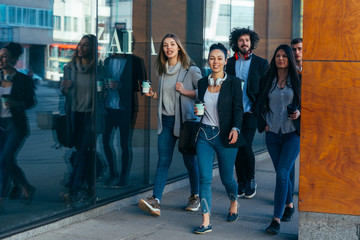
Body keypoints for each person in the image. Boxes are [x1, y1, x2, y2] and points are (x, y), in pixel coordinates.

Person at [138, 33, 202, 216]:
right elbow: (167, 98)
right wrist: (153, 95)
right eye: (165, 45)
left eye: (172, 44)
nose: (169, 48)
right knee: (163, 161)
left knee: (190, 161)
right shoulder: (164, 70)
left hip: (184, 123)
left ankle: (195, 196)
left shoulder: (190, 70)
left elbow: (203, 92)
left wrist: (186, 91)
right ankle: (156, 200)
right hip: (166, 121)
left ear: (179, 47)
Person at [194, 43, 245, 234]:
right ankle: (206, 220)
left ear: (225, 60)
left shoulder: (234, 82)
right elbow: (200, 107)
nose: (215, 62)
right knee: (205, 178)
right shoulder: (201, 83)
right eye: (212, 58)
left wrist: (236, 128)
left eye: (219, 58)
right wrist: (197, 111)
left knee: (226, 178)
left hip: (226, 136)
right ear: (208, 60)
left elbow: (238, 110)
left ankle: (234, 201)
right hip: (204, 135)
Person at [256, 44, 301, 234]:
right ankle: (289, 203)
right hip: (273, 134)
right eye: (277, 56)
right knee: (282, 173)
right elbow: (259, 102)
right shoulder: (269, 79)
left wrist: (299, 113)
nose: (280, 58)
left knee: (282, 173)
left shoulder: (298, 79)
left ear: (289, 58)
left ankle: (276, 218)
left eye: (284, 56)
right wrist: (263, 122)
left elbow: (308, 103)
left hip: (292, 134)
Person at [227, 27, 268, 199]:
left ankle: (250, 180)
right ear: (236, 43)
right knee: (236, 147)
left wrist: (256, 109)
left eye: (247, 40)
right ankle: (241, 182)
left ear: (252, 43)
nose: (244, 43)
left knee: (246, 146)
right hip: (233, 113)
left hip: (250, 112)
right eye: (241, 40)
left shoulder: (261, 63)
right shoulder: (229, 63)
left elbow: (264, 90)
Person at [60, 34, 98, 206]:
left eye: (86, 45)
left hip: (90, 117)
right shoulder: (69, 68)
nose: (81, 48)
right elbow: (63, 93)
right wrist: (64, 88)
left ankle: (72, 189)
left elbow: (102, 92)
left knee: (82, 152)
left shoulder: (97, 68)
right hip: (74, 116)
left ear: (92, 48)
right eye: (80, 45)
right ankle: (90, 186)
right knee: (82, 154)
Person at [0, 42, 37, 208]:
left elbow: (31, 102)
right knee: (4, 161)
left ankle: (15, 189)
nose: (0, 59)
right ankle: (24, 186)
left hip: (15, 125)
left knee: (5, 159)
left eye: (4, 56)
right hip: (0, 123)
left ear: (13, 59)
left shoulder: (23, 79)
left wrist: (17, 104)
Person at [101, 51, 145, 187]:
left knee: (124, 144)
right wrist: (103, 87)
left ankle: (123, 176)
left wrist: (121, 86)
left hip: (125, 109)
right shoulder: (107, 61)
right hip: (108, 107)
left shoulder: (136, 61)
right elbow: (101, 79)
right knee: (105, 141)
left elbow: (142, 84)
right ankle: (112, 172)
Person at [289, 37, 303, 199]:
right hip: (291, 119)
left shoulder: (312, 68)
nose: (297, 52)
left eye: (300, 49)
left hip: (308, 117)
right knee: (290, 160)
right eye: (294, 49)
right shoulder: (288, 69)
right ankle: (288, 191)